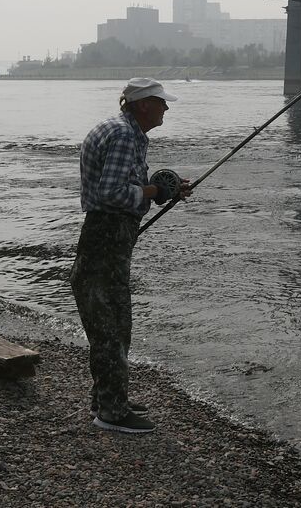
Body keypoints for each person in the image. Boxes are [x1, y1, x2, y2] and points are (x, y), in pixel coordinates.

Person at [71, 77, 190, 434]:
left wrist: (163, 191)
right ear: (143, 105)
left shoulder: (122, 130)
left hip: (104, 236)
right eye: (161, 102)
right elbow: (111, 193)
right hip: (107, 236)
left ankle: (109, 396)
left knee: (111, 323)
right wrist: (154, 190)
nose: (166, 108)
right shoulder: (125, 136)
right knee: (112, 325)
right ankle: (111, 414)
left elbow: (121, 186)